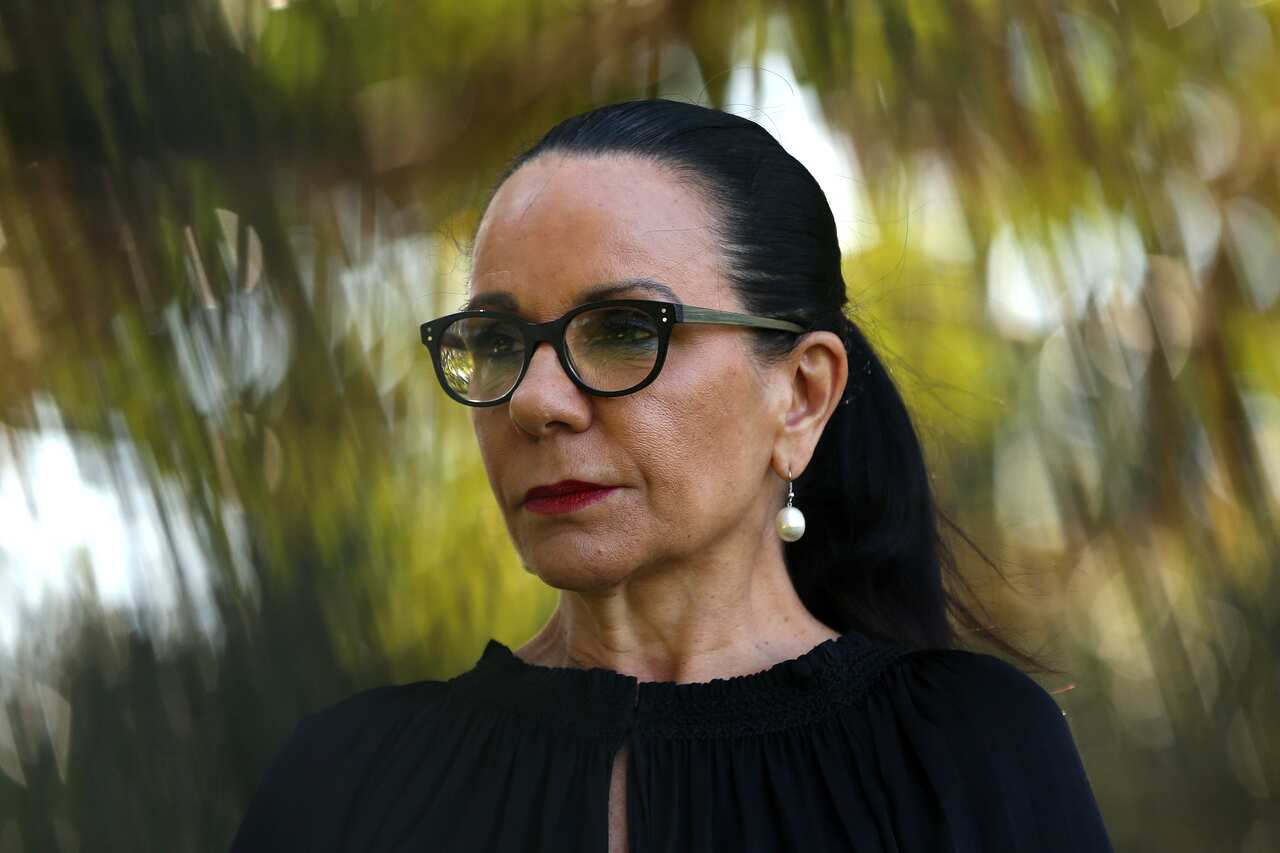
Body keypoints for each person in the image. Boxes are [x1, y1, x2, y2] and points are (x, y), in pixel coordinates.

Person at [229, 98, 1114, 852]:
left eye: (622, 329)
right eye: (496, 343)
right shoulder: (347, 783)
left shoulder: (964, 753)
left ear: (801, 396)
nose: (535, 402)